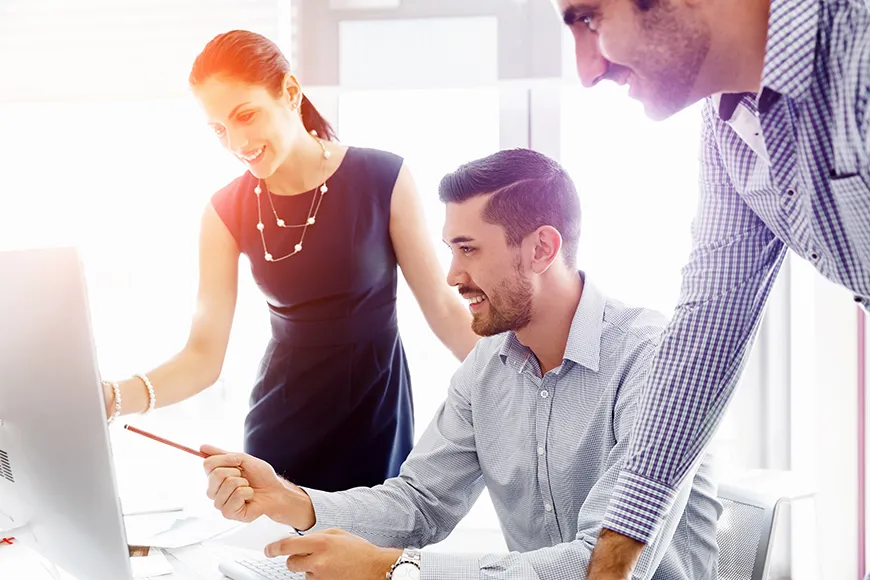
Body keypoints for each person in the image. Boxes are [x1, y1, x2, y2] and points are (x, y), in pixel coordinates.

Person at [200, 149, 721, 580]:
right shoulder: (487, 366)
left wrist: (391, 568)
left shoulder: (653, 361)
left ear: (542, 248)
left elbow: (604, 564)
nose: (452, 275)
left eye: (469, 250)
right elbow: (420, 504)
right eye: (451, 250)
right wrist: (291, 501)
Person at [552, 0, 870, 577]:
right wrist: (611, 562)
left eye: (590, 18)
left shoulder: (859, 46)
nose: (587, 69)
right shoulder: (729, 128)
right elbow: (709, 325)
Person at [100, 30, 479, 492]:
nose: (236, 142)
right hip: (280, 432)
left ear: (291, 93)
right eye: (219, 129)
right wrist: (113, 398)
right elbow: (202, 357)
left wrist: (520, 382)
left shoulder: (385, 177)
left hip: (378, 420)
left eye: (245, 116)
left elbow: (442, 310)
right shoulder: (224, 211)